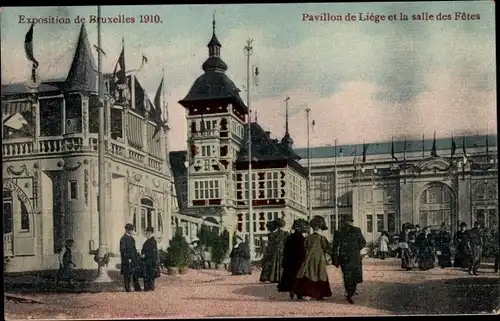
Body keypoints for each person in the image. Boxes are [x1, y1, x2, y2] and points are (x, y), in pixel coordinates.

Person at [293, 215, 332, 300]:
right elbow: (328, 248)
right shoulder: (322, 238)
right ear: (320, 228)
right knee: (320, 275)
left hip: (309, 259)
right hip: (319, 260)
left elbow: (304, 248)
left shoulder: (308, 238)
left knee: (308, 274)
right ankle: (319, 294)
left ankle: (304, 293)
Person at [333, 216, 367, 304]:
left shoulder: (338, 231)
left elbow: (335, 247)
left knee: (347, 275)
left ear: (343, 222)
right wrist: (355, 249)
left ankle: (349, 292)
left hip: (344, 257)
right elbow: (363, 242)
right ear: (351, 222)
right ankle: (351, 292)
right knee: (355, 274)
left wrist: (335, 258)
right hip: (354, 256)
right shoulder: (357, 230)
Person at [277, 218, 309, 300]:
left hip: (290, 260)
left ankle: (292, 291)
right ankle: (299, 294)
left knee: (291, 276)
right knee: (299, 276)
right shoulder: (302, 238)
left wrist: (285, 259)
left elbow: (286, 250)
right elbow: (303, 250)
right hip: (299, 260)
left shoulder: (289, 237)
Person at [260, 218, 288, 283]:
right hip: (282, 250)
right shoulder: (286, 234)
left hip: (273, 251)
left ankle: (273, 278)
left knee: (273, 264)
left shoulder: (272, 234)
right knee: (281, 264)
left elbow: (270, 244)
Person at [120, 223, 142, 292]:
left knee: (135, 274)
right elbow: (123, 250)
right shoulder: (123, 239)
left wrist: (137, 254)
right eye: (131, 230)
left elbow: (134, 249)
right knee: (127, 275)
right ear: (127, 230)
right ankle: (127, 288)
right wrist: (128, 258)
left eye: (132, 230)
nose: (132, 231)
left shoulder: (132, 239)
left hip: (134, 259)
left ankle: (137, 287)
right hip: (127, 260)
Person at [141, 226, 159, 291]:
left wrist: (145, 255)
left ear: (151, 233)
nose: (146, 233)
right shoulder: (148, 240)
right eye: (146, 232)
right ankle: (148, 287)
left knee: (149, 275)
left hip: (150, 261)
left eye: (148, 232)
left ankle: (149, 287)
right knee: (148, 275)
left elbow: (153, 253)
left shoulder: (152, 241)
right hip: (148, 260)